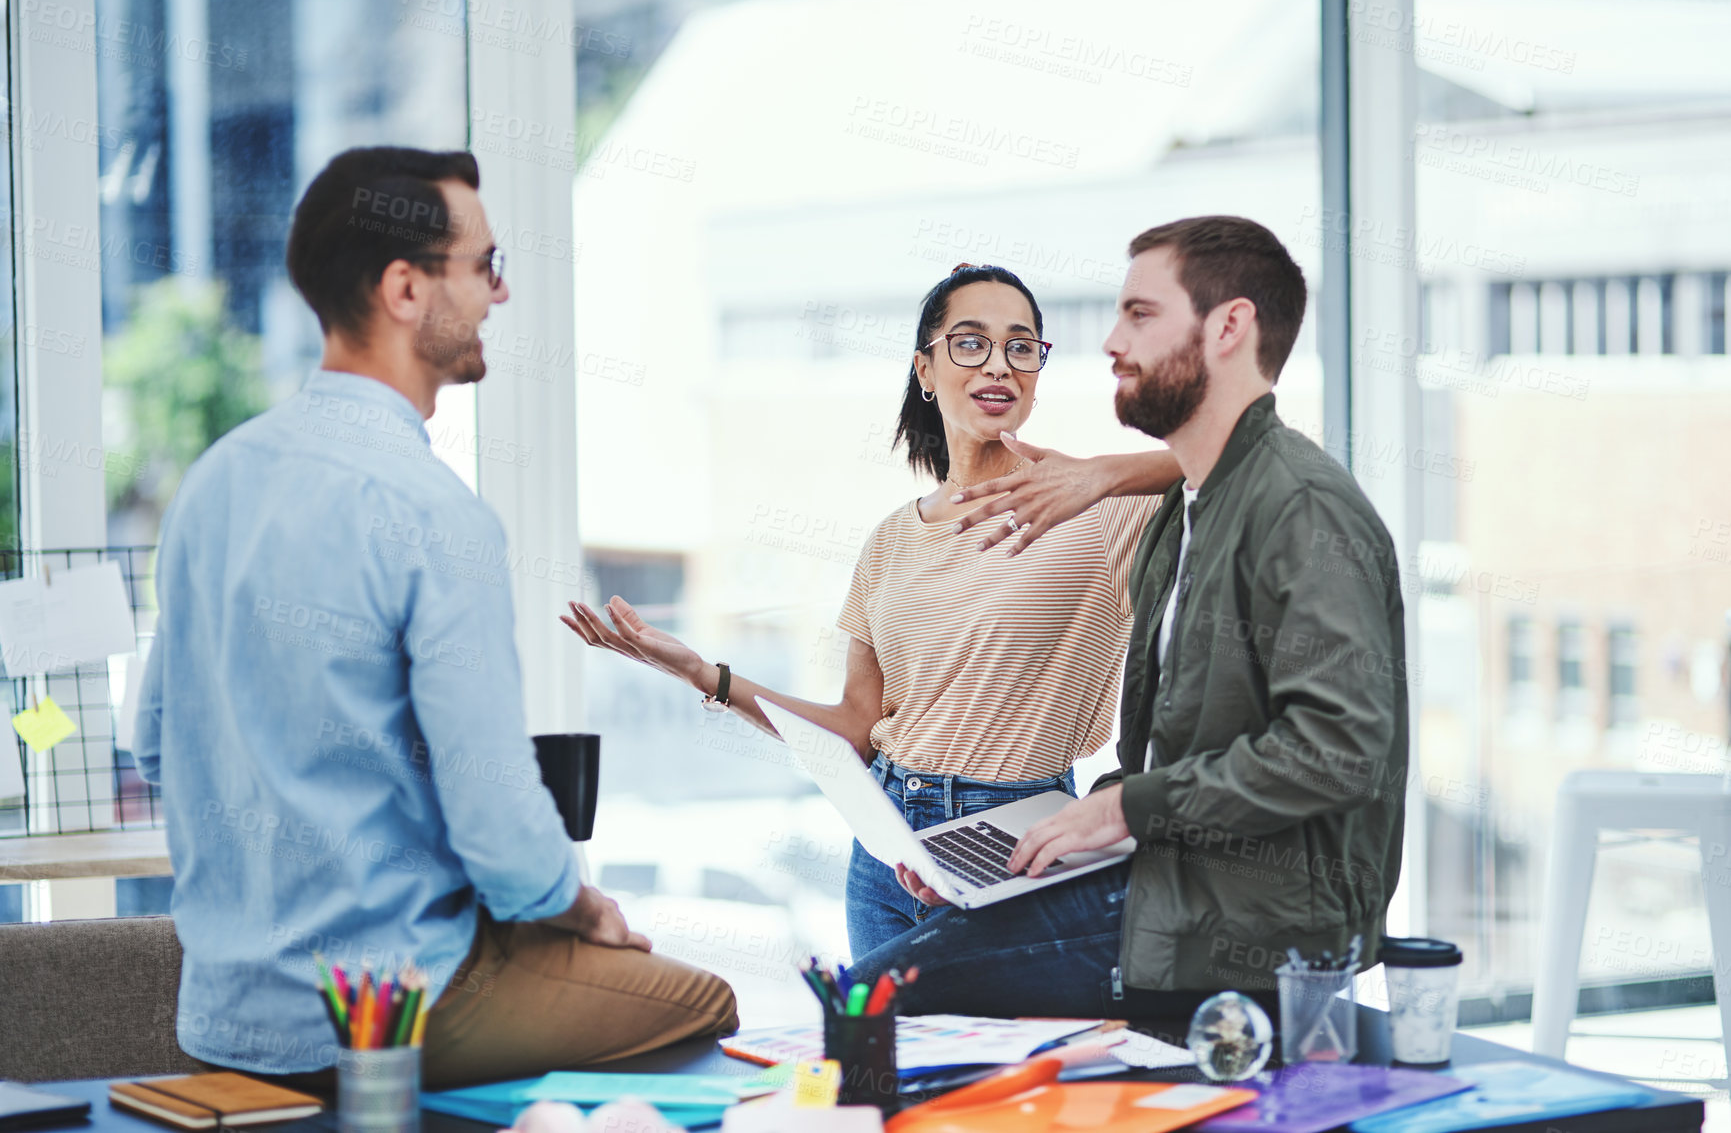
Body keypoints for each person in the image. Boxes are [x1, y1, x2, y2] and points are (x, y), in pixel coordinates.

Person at [135, 146, 736, 1088]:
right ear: (405, 288)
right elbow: (496, 817)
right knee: (704, 1002)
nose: (499, 295)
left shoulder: (212, 482)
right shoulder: (432, 514)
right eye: (485, 266)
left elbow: (155, 743)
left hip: (223, 1015)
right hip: (392, 1011)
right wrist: (573, 903)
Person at [849, 215, 1409, 1026]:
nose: (1110, 341)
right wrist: (1039, 841)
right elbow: (1178, 765)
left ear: (1229, 327)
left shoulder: (1301, 507)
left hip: (1254, 916)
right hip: (1166, 873)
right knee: (923, 984)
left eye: (1139, 315)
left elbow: (1339, 750)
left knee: (878, 999)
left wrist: (1119, 809)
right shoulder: (1185, 513)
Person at [563, 263, 1182, 957]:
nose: (998, 364)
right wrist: (700, 672)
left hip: (1017, 840)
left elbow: (1249, 456)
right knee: (881, 1060)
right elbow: (854, 729)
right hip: (885, 850)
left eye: (1020, 346)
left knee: (997, 1057)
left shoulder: (1101, 513)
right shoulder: (890, 538)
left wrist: (1101, 472)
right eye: (969, 342)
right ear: (925, 368)